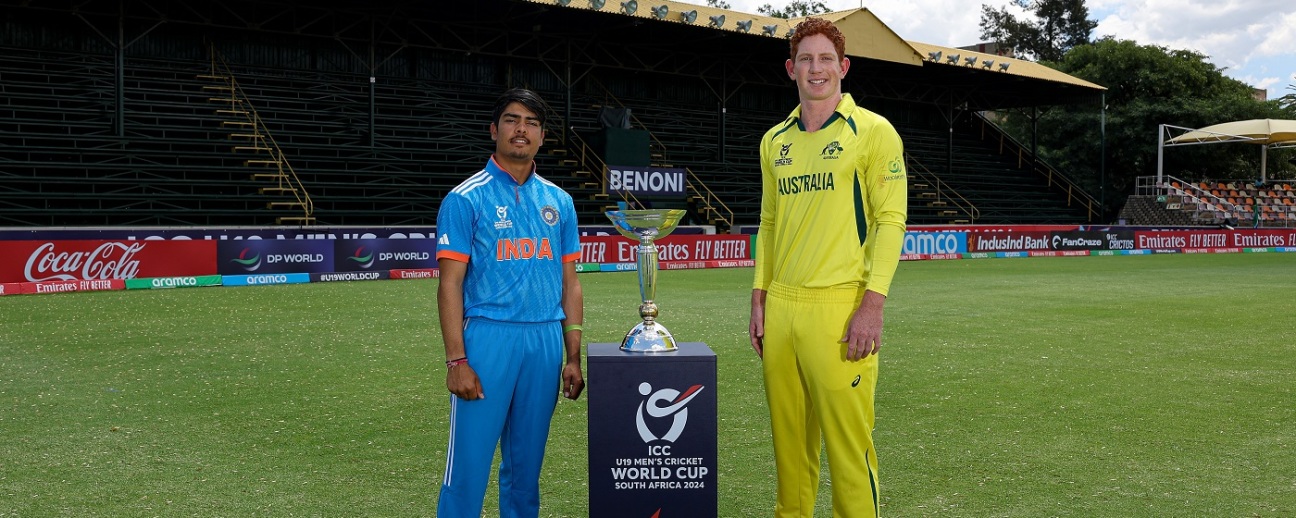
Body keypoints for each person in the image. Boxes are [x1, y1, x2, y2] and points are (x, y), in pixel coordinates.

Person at [748, 17, 908, 518]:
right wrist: (759, 297)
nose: (815, 68)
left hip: (840, 308)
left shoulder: (873, 132)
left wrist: (872, 305)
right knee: (790, 456)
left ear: (843, 66)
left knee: (848, 454)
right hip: (782, 308)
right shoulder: (774, 140)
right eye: (805, 59)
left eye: (825, 59)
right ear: (790, 68)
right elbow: (768, 223)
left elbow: (891, 220)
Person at [434, 87, 585, 517]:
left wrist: (573, 356)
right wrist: (456, 360)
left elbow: (570, 283)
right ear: (494, 129)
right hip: (488, 339)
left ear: (542, 136)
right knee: (467, 469)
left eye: (532, 123)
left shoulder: (559, 201)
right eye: (512, 120)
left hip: (544, 341)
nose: (522, 129)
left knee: (525, 470)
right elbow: (449, 285)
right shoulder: (465, 198)